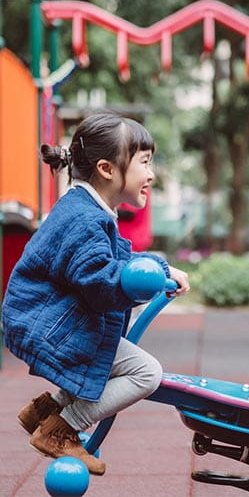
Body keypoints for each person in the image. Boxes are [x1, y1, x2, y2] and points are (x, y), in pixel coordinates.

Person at [1, 113, 190, 476]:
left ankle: (45, 411)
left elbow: (113, 263)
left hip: (48, 317)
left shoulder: (88, 208)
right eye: (144, 162)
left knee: (105, 359)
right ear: (107, 169)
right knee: (146, 373)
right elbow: (101, 285)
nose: (151, 174)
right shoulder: (86, 220)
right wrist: (154, 275)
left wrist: (162, 270)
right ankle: (62, 428)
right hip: (51, 325)